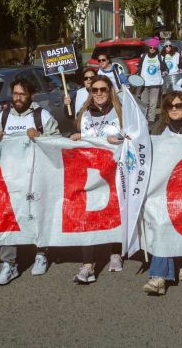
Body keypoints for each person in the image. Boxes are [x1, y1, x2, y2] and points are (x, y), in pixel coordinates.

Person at [0, 77, 61, 285]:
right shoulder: (4, 116)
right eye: (15, 93)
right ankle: (9, 264)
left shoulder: (42, 115)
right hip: (11, 177)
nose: (18, 97)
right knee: (9, 218)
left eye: (22, 94)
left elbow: (57, 144)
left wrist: (40, 136)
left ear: (31, 95)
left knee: (37, 213)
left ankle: (41, 253)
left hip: (36, 176)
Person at [144, 91, 182, 295]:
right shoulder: (158, 127)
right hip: (164, 186)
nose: (174, 110)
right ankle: (159, 277)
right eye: (170, 106)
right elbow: (147, 150)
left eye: (178, 105)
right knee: (164, 224)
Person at [69, 76, 125, 283]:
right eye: (94, 90)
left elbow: (132, 137)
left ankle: (115, 251)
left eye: (103, 89)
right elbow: (76, 134)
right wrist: (75, 136)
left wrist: (116, 139)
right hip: (89, 173)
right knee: (88, 215)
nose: (99, 93)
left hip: (113, 171)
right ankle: (87, 264)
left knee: (112, 211)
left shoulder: (120, 111)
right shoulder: (83, 113)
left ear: (110, 91)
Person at [139, 38, 168, 124]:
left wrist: (165, 72)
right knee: (144, 103)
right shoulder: (143, 56)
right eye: (150, 47)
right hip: (144, 84)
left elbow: (165, 68)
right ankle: (143, 118)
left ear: (156, 49)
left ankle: (151, 119)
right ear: (148, 48)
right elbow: (139, 68)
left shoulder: (160, 57)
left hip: (155, 84)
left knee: (153, 103)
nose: (152, 49)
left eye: (154, 48)